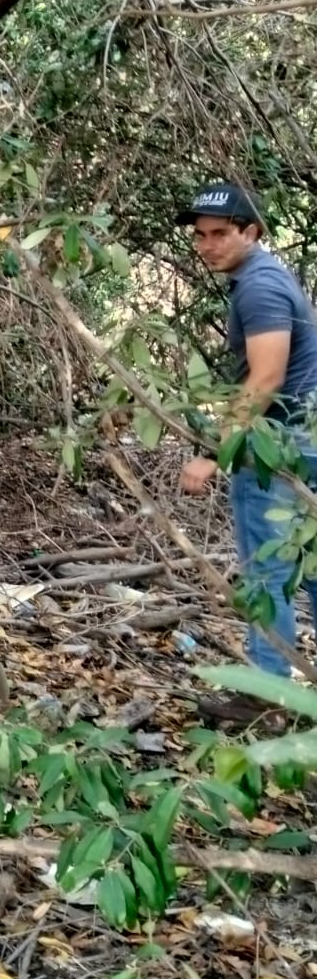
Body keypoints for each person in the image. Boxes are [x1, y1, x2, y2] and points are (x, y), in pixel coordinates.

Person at [177, 182, 317, 678]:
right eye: (200, 235)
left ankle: (269, 696)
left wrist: (218, 452)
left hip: (276, 447)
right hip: (306, 440)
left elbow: (266, 377)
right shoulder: (267, 277)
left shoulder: (259, 287)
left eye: (220, 234)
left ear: (251, 232)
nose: (207, 245)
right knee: (310, 567)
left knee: (267, 573)